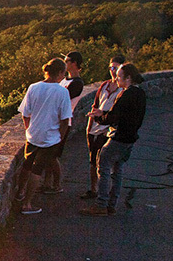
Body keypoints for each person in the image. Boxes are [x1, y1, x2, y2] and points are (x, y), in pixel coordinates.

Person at [80, 63, 146, 216]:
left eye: (119, 76)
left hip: (118, 138)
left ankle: (101, 205)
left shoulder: (125, 94)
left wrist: (98, 118)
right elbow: (126, 115)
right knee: (117, 171)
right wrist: (103, 113)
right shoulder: (140, 93)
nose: (116, 79)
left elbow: (113, 118)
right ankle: (112, 205)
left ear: (128, 78)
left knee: (103, 167)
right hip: (130, 139)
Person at [15, 58, 73, 215]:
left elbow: (25, 114)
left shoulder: (33, 87)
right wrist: (60, 137)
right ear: (60, 73)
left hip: (33, 135)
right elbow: (65, 119)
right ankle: (27, 204)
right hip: (50, 137)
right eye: (64, 73)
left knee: (27, 165)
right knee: (37, 170)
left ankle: (20, 192)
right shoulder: (62, 92)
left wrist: (29, 129)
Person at [81, 54, 125, 200]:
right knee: (93, 161)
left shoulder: (123, 90)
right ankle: (93, 189)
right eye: (111, 68)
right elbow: (95, 106)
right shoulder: (104, 85)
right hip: (94, 128)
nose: (112, 71)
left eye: (115, 68)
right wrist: (89, 128)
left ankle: (103, 193)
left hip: (107, 131)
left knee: (104, 164)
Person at [41, 51, 85, 192]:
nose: (65, 64)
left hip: (64, 122)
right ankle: (47, 183)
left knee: (53, 155)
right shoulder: (65, 81)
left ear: (74, 63)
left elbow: (60, 99)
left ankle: (57, 184)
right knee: (49, 154)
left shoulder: (77, 83)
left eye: (67, 61)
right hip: (54, 120)